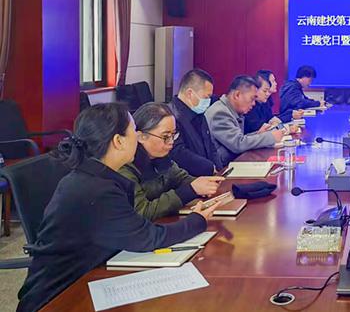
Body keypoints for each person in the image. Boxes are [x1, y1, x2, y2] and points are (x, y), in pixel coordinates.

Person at [17, 103, 220, 312]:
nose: (137, 138)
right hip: (59, 298)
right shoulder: (97, 189)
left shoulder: (94, 177)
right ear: (118, 141)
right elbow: (149, 237)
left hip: (91, 275)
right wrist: (197, 221)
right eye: (133, 131)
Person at [119, 102, 225, 221]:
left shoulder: (161, 158)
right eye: (165, 137)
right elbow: (142, 212)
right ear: (141, 137)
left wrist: (203, 185)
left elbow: (181, 178)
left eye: (173, 135)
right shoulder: (124, 166)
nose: (171, 142)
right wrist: (190, 190)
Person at [206, 75, 285, 163]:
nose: (254, 104)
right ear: (237, 95)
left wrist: (258, 134)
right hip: (222, 168)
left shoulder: (231, 110)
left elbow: (239, 138)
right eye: (252, 99)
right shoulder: (220, 113)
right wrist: (271, 137)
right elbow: (238, 144)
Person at [169, 68, 222, 176]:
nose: (208, 102)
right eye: (206, 97)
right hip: (188, 179)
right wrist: (209, 167)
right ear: (190, 93)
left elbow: (211, 147)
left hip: (210, 176)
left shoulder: (199, 113)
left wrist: (219, 171)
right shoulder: (171, 117)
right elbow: (178, 153)